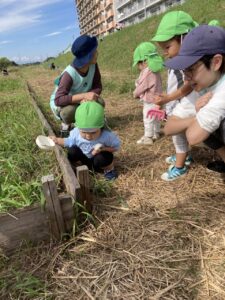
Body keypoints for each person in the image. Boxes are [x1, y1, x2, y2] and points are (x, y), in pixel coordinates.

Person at [163, 25, 225, 173]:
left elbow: (193, 137)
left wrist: (198, 116)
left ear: (216, 62)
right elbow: (168, 128)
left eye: (191, 69)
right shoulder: (202, 86)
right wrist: (197, 115)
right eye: (184, 71)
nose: (186, 78)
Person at [151, 11, 198, 181]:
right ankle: (185, 156)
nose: (165, 52)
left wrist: (167, 99)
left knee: (176, 132)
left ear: (183, 38)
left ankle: (179, 167)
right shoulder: (178, 59)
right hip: (179, 102)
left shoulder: (186, 62)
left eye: (167, 47)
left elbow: (187, 87)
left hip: (186, 104)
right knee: (180, 134)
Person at [50, 101, 120, 180]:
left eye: (93, 132)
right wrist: (56, 140)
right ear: (78, 128)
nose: (88, 136)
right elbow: (68, 141)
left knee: (105, 157)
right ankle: (77, 166)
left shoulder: (107, 136)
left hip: (97, 159)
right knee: (72, 151)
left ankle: (109, 169)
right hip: (84, 158)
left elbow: (115, 147)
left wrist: (103, 149)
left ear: (101, 127)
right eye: (83, 132)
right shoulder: (76, 133)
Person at [50, 35, 103, 126]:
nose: (97, 53)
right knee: (68, 113)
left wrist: (89, 97)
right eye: (95, 51)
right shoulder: (69, 74)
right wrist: (84, 96)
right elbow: (58, 100)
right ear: (89, 56)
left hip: (80, 100)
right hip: (64, 104)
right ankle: (66, 124)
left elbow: (97, 86)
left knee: (100, 103)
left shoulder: (93, 65)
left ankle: (85, 120)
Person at [133, 42, 163, 144]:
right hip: (157, 98)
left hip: (150, 100)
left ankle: (148, 137)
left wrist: (135, 93)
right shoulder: (155, 69)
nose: (138, 67)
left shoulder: (148, 71)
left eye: (138, 64)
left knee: (148, 117)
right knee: (155, 117)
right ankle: (156, 133)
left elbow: (143, 86)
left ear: (144, 61)